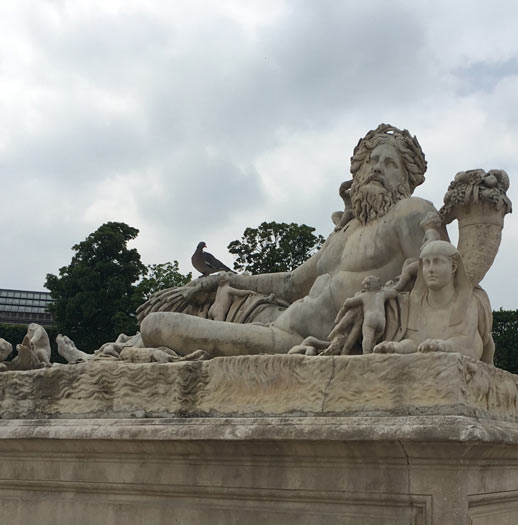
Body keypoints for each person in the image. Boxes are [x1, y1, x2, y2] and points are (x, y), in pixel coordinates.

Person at [139, 124, 447, 357]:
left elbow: (444, 286)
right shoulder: (345, 233)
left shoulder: (411, 213)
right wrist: (224, 278)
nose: (378, 167)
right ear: (359, 170)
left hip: (297, 341)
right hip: (275, 324)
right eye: (373, 161)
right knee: (169, 319)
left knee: (157, 326)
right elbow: (289, 283)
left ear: (407, 179)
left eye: (390, 163)